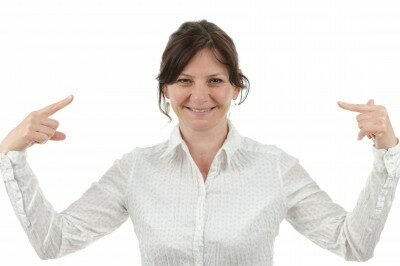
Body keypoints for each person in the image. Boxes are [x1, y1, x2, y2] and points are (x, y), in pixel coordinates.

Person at [0, 19, 399, 266]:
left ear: (236, 87)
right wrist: (11, 153)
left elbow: (353, 245)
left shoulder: (274, 167)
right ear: (166, 90)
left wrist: (387, 152)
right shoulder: (136, 169)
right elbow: (55, 241)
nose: (200, 96)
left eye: (215, 81)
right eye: (185, 81)